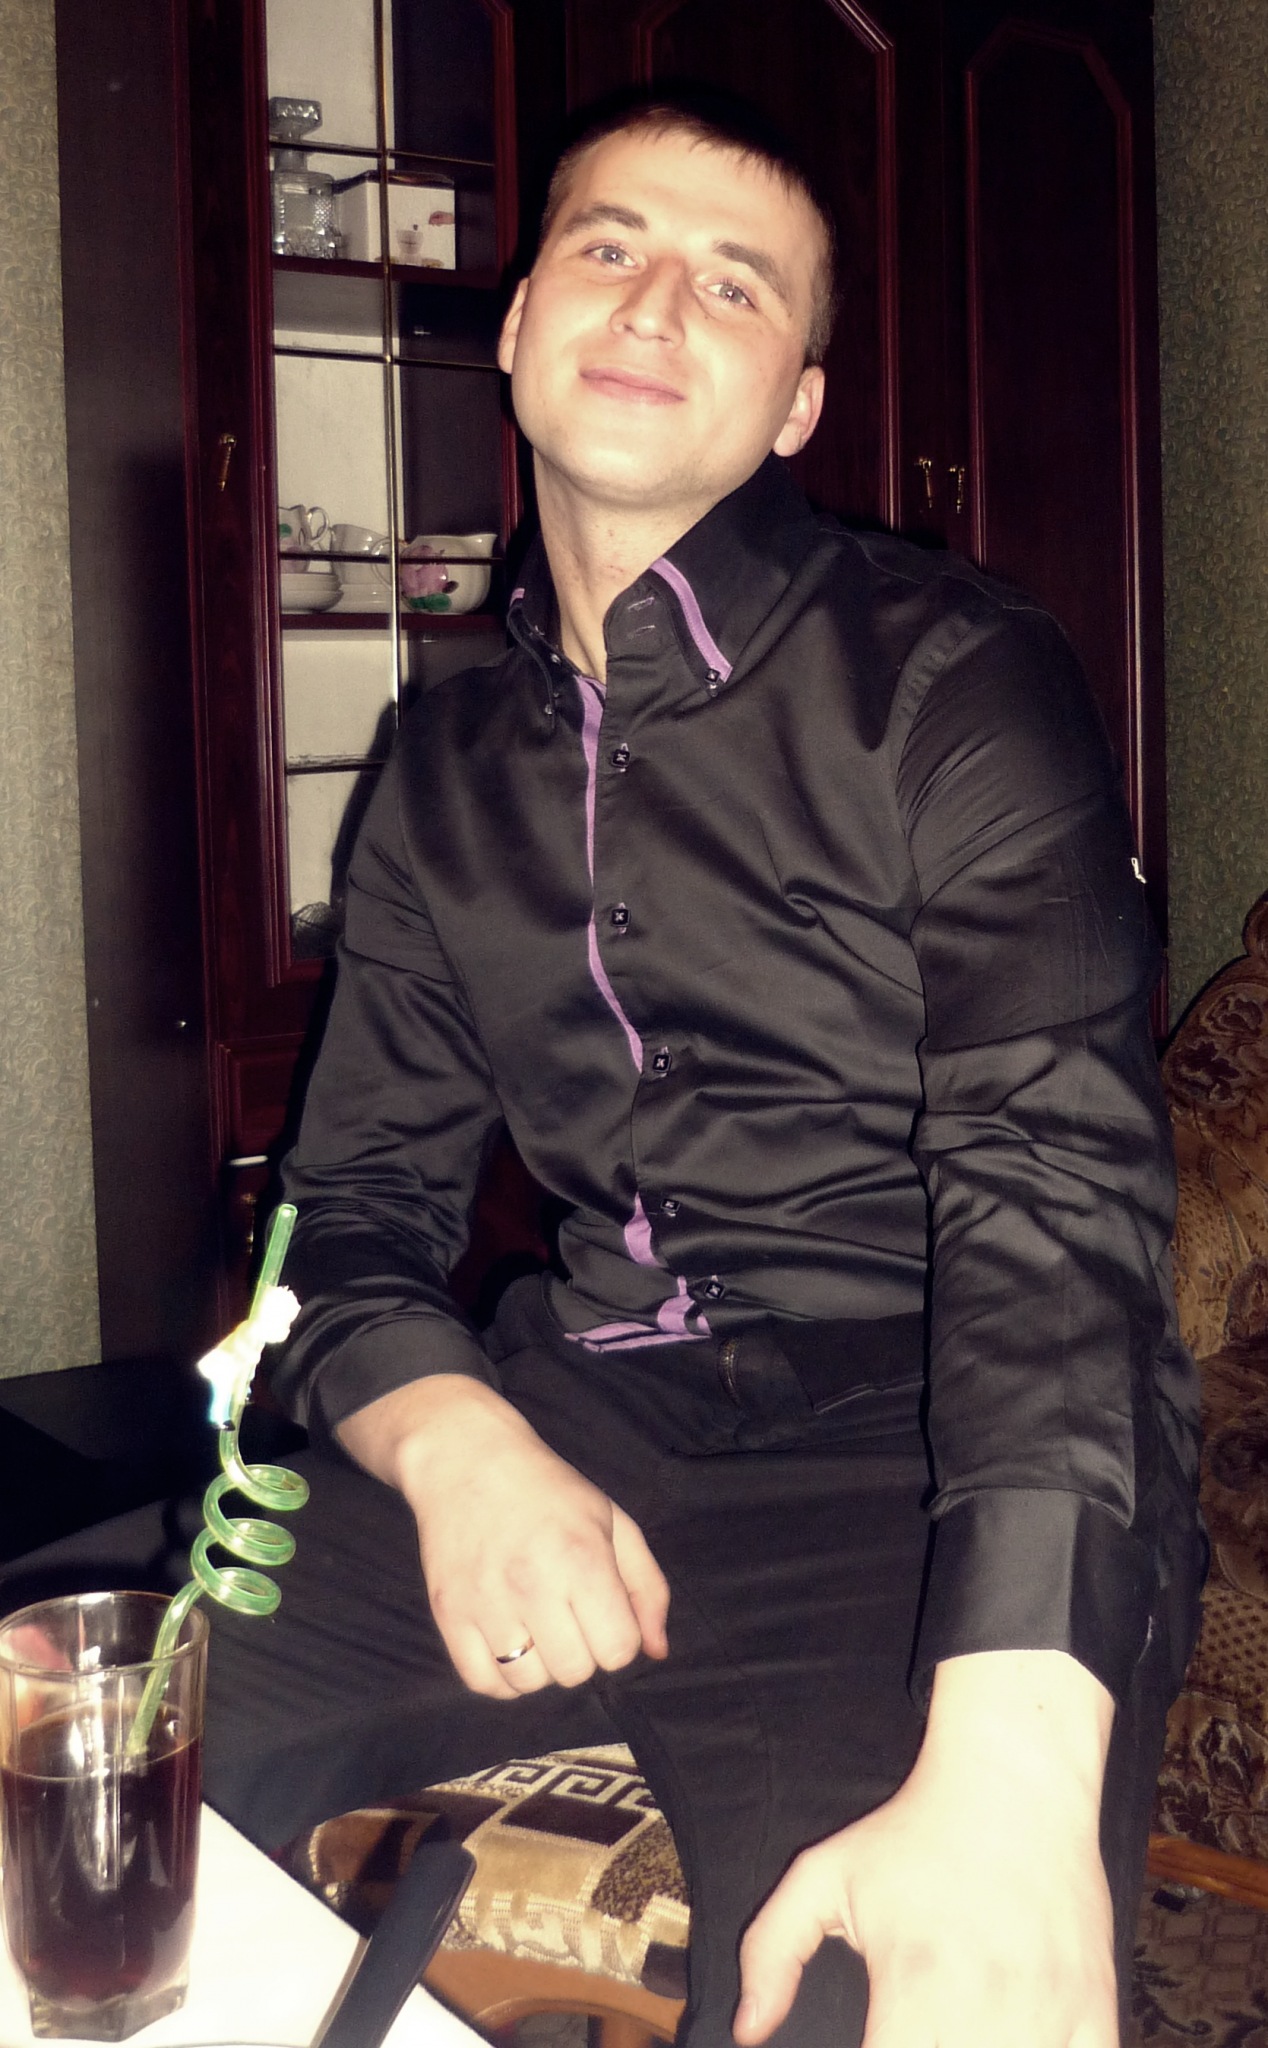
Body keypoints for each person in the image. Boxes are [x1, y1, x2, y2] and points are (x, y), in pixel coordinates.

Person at [203, 96, 1204, 2048]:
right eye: (608, 245)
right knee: (76, 1735)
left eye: (734, 284)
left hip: (926, 1442)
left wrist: (1012, 1761)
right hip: (585, 1413)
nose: (658, 300)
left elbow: (1057, 1204)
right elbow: (350, 1220)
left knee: (877, 1993)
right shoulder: (436, 771)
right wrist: (460, 1444)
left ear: (799, 402)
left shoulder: (958, 675)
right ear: (516, 323)